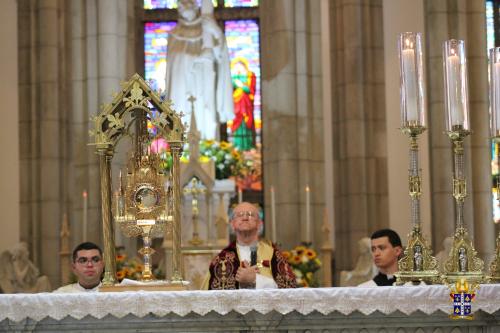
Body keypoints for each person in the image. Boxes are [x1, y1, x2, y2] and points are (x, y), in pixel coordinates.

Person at [165, 0, 233, 140]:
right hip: (183, 89)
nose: (184, 7)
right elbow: (175, 63)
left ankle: (208, 145)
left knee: (206, 114)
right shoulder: (174, 35)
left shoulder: (208, 30)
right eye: (181, 5)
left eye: (188, 3)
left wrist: (216, 32)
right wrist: (198, 57)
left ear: (196, 6)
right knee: (182, 118)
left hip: (204, 84)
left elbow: (221, 58)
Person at [202, 202, 296, 289]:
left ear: (259, 223)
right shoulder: (222, 259)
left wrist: (256, 280)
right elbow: (210, 297)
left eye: (250, 214)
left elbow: (289, 290)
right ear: (232, 224)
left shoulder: (273, 255)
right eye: (239, 215)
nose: (245, 218)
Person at [230, 57, 256, 151]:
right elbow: (230, 89)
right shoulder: (233, 77)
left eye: (240, 66)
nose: (238, 68)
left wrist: (241, 85)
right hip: (236, 104)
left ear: (244, 66)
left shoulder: (250, 75)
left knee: (247, 123)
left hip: (247, 104)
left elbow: (250, 90)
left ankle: (249, 144)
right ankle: (237, 145)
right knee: (237, 122)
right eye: (236, 66)